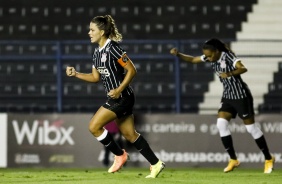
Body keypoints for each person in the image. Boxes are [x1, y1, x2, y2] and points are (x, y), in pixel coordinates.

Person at [66, 15, 165, 178]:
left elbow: (132, 70)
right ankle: (156, 164)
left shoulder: (113, 48)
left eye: (92, 30)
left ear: (102, 32)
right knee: (130, 134)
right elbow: (95, 78)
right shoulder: (96, 53)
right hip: (117, 98)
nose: (89, 32)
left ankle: (120, 155)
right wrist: (76, 74)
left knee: (93, 127)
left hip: (123, 97)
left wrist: (118, 89)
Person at [170, 38, 275, 173]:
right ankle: (233, 159)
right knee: (221, 124)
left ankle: (268, 158)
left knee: (251, 128)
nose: (208, 58)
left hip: (241, 96)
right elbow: (193, 60)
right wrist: (178, 54)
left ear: (217, 51)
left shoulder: (228, 56)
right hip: (228, 97)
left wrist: (230, 73)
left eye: (210, 55)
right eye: (206, 56)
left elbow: (243, 68)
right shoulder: (211, 58)